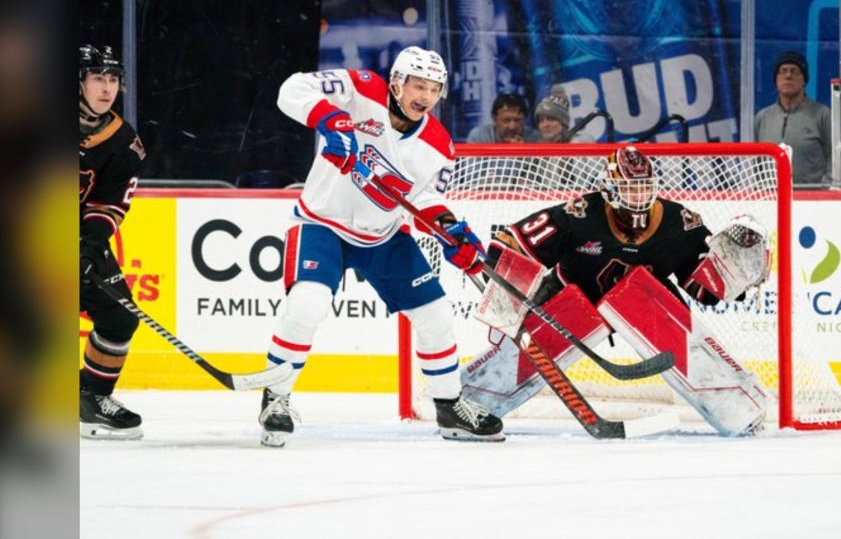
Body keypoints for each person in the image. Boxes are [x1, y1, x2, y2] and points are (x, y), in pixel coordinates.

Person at [264, 45, 504, 446]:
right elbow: (292, 89)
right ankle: (276, 397)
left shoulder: (439, 146)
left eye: (433, 89)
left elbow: (422, 199)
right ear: (397, 82)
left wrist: (449, 229)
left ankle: (449, 406)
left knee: (435, 315)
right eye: (418, 85)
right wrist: (332, 120)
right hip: (322, 222)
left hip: (383, 234)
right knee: (308, 303)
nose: (425, 97)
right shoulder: (361, 89)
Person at [466, 146, 770, 426]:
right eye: (628, 188)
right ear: (608, 188)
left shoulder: (681, 223)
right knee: (524, 350)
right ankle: (470, 403)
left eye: (642, 187)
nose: (637, 196)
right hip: (573, 296)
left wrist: (737, 280)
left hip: (646, 302)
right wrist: (507, 301)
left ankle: (737, 409)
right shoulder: (579, 215)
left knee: (679, 332)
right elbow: (510, 242)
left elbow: (702, 289)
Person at [79, 45, 147, 440]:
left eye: (113, 79)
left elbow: (108, 202)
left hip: (75, 235)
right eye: (97, 78)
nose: (107, 88)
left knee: (120, 318)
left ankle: (91, 397)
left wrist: (89, 245)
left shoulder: (124, 141)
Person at [754, 50, 832, 186]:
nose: (788, 76)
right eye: (783, 71)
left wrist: (826, 191)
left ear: (804, 80)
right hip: (772, 200)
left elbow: (834, 157)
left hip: (812, 200)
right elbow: (756, 162)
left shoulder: (822, 114)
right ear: (776, 80)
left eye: (794, 71)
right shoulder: (763, 117)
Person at [465, 93, 541, 143]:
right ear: (494, 119)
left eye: (517, 120)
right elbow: (472, 167)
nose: (512, 126)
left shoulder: (536, 139)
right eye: (506, 120)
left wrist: (521, 154)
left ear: (525, 119)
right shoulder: (479, 137)